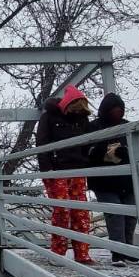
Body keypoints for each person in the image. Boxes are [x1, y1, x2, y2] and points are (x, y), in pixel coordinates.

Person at [87, 92, 139, 266]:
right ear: (106, 111)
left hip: (127, 180)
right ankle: (118, 253)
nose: (117, 114)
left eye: (120, 110)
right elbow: (86, 152)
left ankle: (128, 250)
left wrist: (126, 151)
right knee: (115, 214)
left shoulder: (129, 126)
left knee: (130, 215)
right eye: (114, 110)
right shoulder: (94, 128)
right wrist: (104, 152)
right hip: (104, 181)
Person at [36, 85, 94, 265]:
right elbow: (42, 143)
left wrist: (86, 162)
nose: (77, 111)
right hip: (57, 171)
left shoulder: (82, 119)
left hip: (78, 170)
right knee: (62, 210)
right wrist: (47, 170)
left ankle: (82, 254)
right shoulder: (49, 117)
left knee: (80, 212)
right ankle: (58, 253)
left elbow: (89, 142)